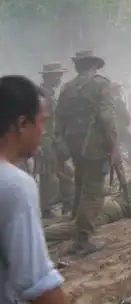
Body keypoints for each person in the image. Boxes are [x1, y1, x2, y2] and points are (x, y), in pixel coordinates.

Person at [0, 75, 76, 304]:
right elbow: (38, 285)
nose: (43, 131)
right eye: (42, 121)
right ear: (22, 123)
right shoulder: (13, 185)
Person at [55, 50, 119, 256]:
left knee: (80, 183)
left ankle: (74, 226)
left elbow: (59, 120)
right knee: (93, 190)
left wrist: (62, 145)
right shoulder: (101, 84)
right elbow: (106, 117)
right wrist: (114, 146)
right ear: (94, 66)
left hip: (73, 143)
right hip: (95, 144)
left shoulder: (67, 88)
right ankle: (83, 238)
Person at [37, 62, 74, 218]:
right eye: (56, 76)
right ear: (47, 77)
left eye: (60, 75)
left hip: (53, 140)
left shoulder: (50, 94)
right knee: (49, 176)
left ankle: (67, 203)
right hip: (46, 141)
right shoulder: (41, 96)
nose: (59, 79)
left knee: (65, 172)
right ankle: (46, 209)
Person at [111, 82, 131, 166]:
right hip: (121, 126)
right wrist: (128, 121)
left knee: (115, 146)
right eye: (119, 89)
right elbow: (125, 114)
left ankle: (117, 163)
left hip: (112, 127)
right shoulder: (119, 101)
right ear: (116, 90)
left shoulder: (109, 101)